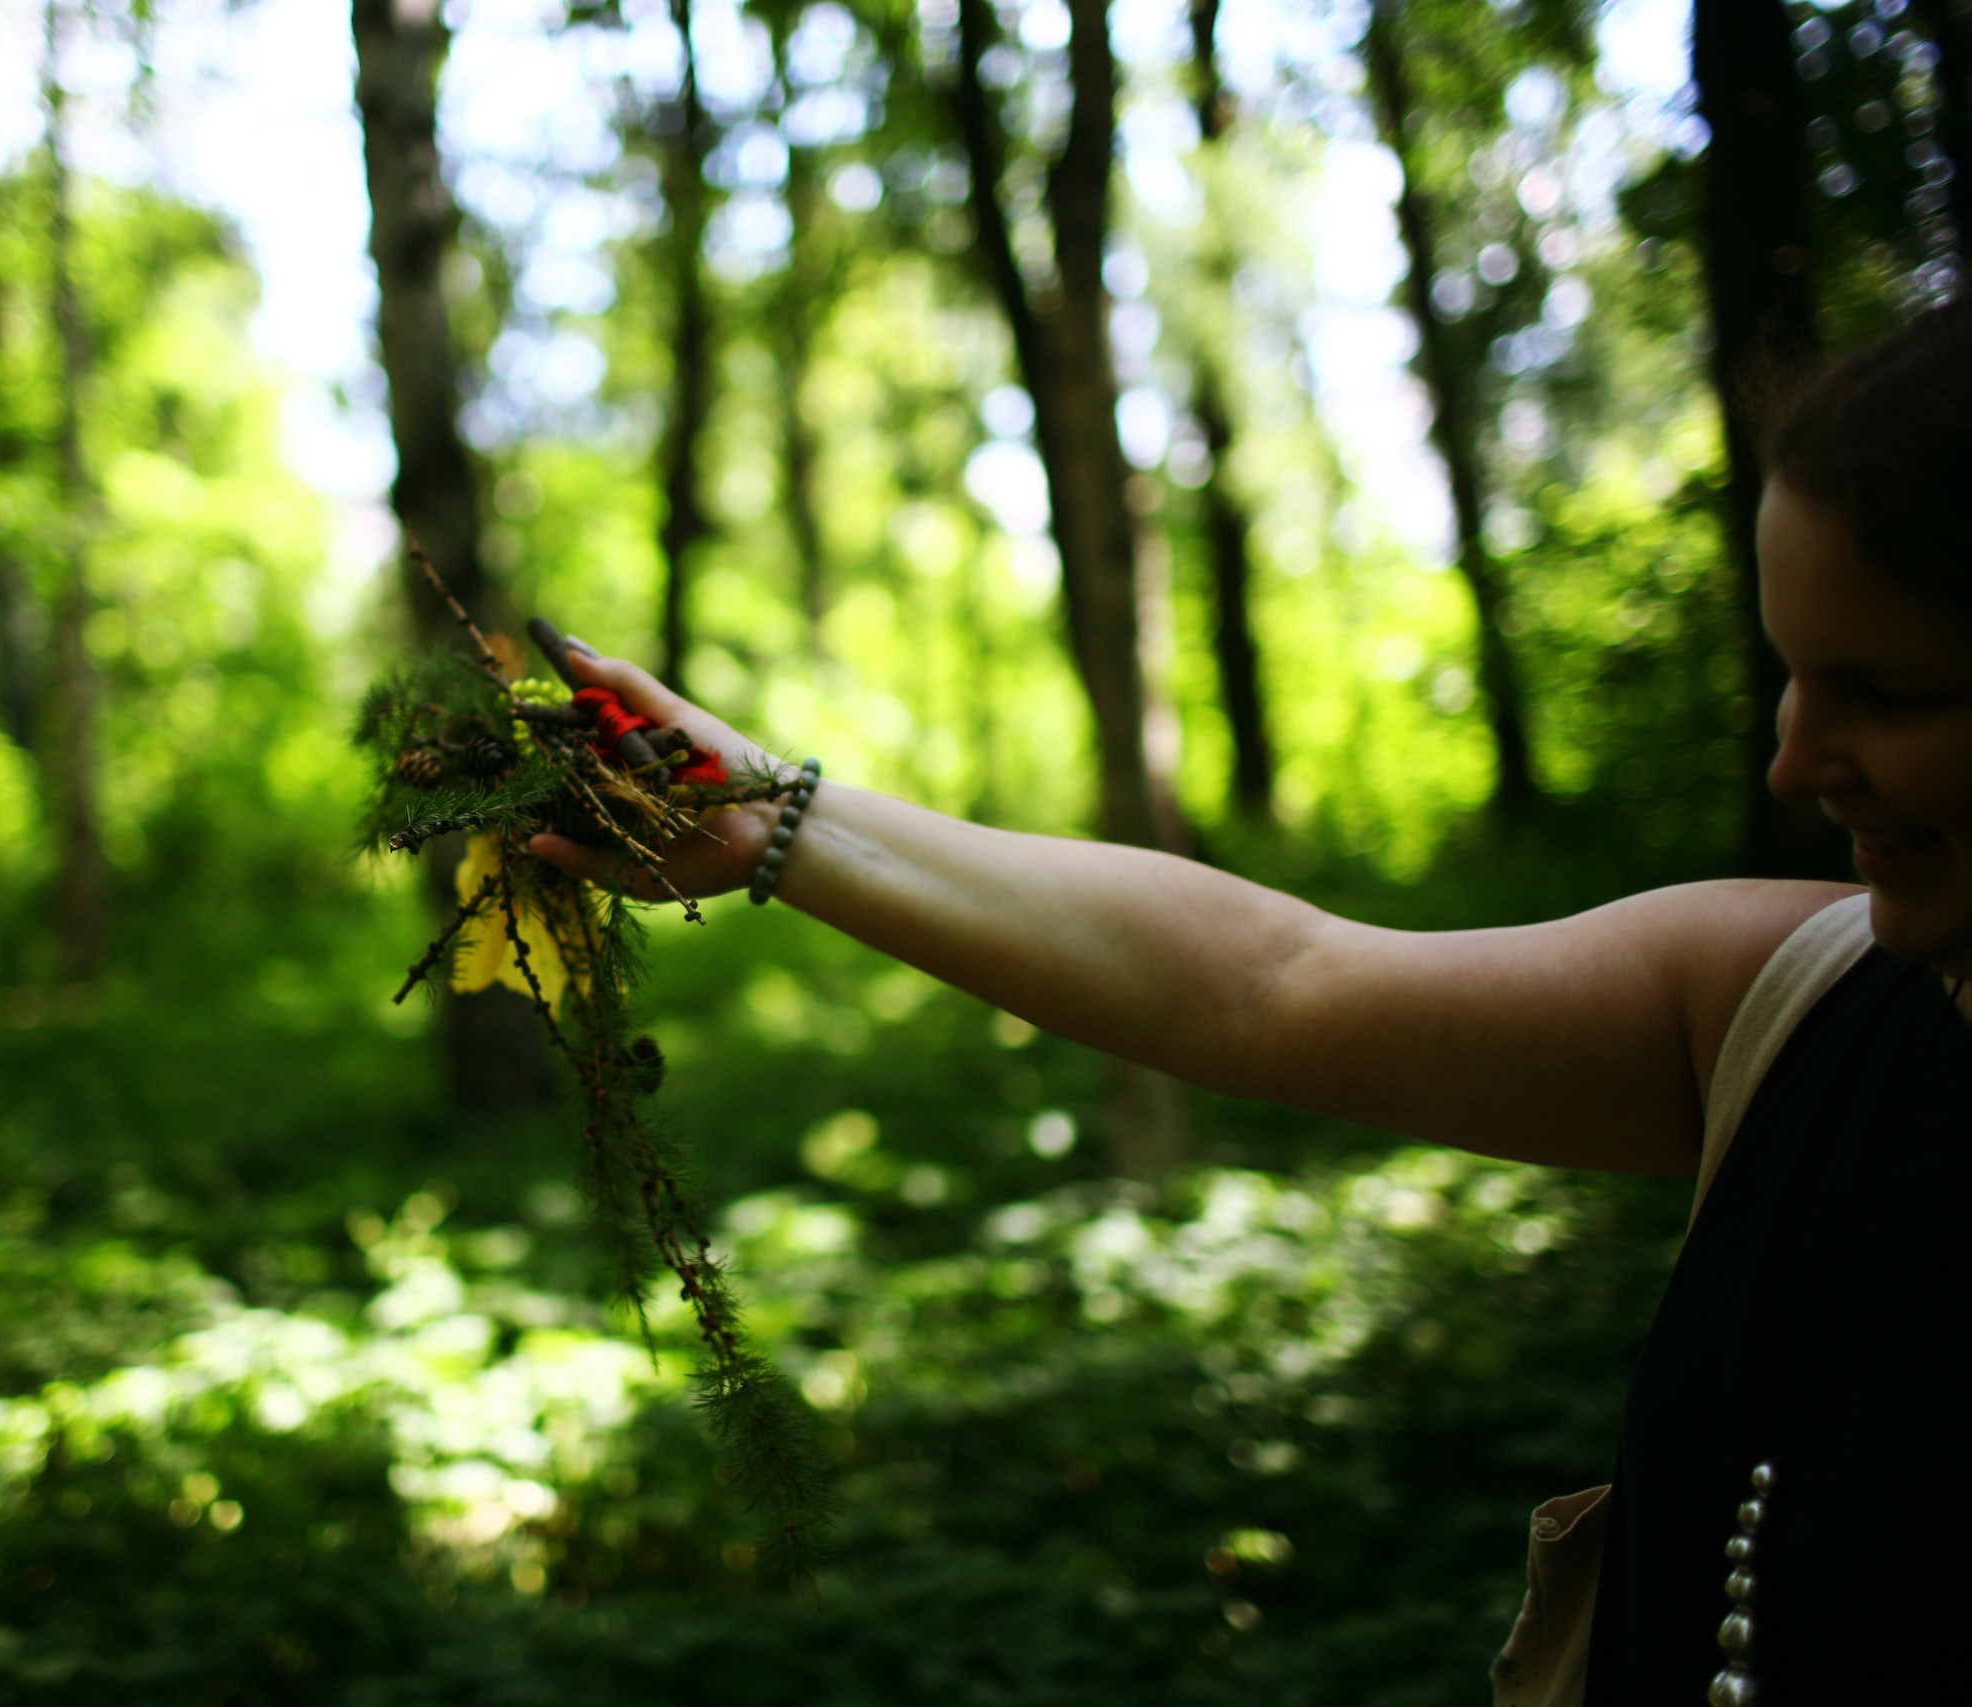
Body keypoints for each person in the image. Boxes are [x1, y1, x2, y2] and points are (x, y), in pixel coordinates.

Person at [526, 302, 1972, 1703]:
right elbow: (1273, 982)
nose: (1794, 763)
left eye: (1888, 695)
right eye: (1792, 677)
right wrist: (772, 815)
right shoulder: (1794, 1009)